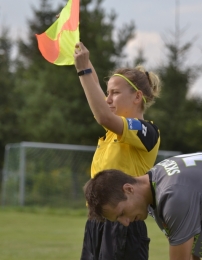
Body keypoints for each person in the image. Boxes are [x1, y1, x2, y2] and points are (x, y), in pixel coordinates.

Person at [74, 42, 161, 260]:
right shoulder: (113, 131)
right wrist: (76, 46)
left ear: (137, 96)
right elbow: (93, 85)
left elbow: (103, 115)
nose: (107, 99)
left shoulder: (147, 131)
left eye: (114, 93)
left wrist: (82, 70)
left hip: (124, 222)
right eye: (107, 92)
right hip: (97, 222)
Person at [84, 152, 202, 260]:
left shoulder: (173, 194)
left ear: (128, 189)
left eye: (122, 213)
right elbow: (189, 246)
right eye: (118, 220)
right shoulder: (156, 184)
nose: (125, 222)